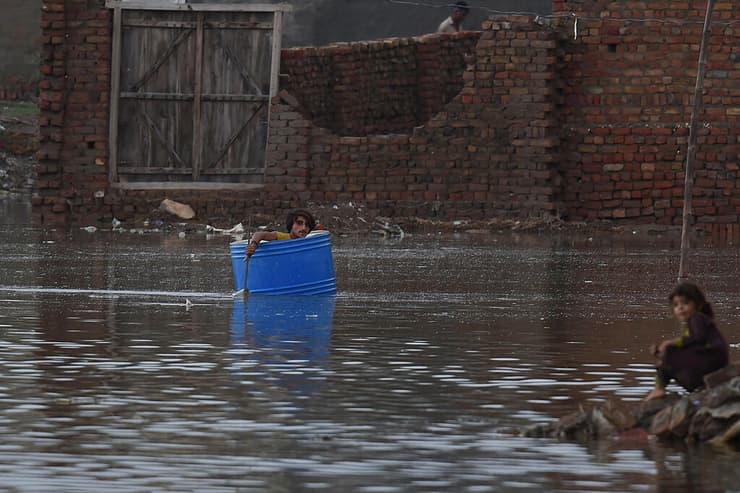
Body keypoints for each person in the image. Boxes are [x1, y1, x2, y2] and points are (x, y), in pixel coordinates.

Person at [645, 282, 729, 401]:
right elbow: (691, 343)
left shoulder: (697, 318)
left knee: (670, 352)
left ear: (698, 304)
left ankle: (659, 388)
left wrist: (671, 344)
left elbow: (698, 339)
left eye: (685, 303)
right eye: (676, 305)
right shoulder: (697, 321)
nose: (680, 307)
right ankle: (668, 387)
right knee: (668, 356)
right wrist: (661, 353)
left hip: (712, 358)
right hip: (711, 359)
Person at [247, 209, 316, 257]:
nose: (303, 228)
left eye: (307, 225)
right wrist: (253, 246)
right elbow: (259, 234)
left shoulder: (309, 243)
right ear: (291, 224)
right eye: (299, 223)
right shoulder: (283, 237)